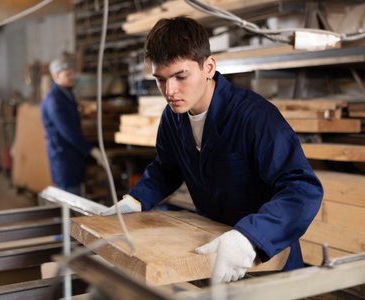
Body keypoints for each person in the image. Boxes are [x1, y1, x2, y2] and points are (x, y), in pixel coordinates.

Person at [103, 17, 323, 282]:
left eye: (180, 76)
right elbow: (166, 169)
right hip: (209, 248)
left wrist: (248, 238)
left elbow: (303, 190)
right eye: (160, 80)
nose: (170, 91)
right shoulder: (172, 118)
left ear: (208, 67)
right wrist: (135, 201)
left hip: (264, 257)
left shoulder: (255, 117)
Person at [41, 58, 103, 195]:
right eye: (67, 75)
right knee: (69, 200)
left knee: (76, 197)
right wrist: (91, 150)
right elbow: (68, 132)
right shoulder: (54, 100)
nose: (72, 77)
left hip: (74, 156)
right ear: (56, 76)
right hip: (64, 156)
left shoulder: (68, 95)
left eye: (72, 74)